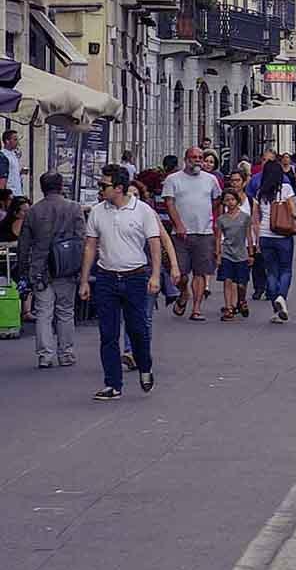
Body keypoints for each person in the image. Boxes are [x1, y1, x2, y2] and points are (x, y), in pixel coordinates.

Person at [79, 164, 162, 400]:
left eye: (103, 185)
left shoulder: (142, 210)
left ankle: (145, 367)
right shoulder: (97, 211)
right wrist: (85, 280)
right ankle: (113, 384)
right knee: (108, 333)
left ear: (119, 188)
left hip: (135, 276)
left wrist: (155, 275)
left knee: (138, 330)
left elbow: (154, 244)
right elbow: (90, 246)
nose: (100, 189)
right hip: (106, 277)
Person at [19, 171, 85, 368]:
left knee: (43, 312)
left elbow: (24, 244)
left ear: (42, 187)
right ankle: (66, 354)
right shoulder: (74, 208)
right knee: (65, 311)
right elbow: (82, 239)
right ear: (61, 186)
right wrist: (82, 267)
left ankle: (45, 355)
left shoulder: (33, 211)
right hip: (67, 267)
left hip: (40, 268)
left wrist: (23, 270)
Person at [162, 147, 221, 323]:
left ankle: (196, 308)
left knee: (201, 272)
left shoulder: (210, 180)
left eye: (200, 158)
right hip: (181, 234)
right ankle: (184, 293)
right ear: (186, 159)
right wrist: (178, 224)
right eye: (193, 157)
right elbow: (169, 203)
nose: (197, 160)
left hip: (204, 232)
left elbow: (217, 199)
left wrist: (209, 215)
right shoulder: (173, 179)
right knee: (179, 273)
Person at [251, 157, 296, 322]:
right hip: (283, 235)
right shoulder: (285, 188)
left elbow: (255, 218)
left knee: (271, 271)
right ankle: (281, 297)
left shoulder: (260, 191)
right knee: (286, 269)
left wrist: (256, 240)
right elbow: (293, 212)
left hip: (265, 235)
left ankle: (276, 309)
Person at [216, 184, 254, 320]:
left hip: (242, 253)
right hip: (227, 252)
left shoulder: (245, 217)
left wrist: (251, 253)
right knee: (227, 280)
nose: (230, 202)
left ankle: (242, 301)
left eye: (232, 199)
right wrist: (218, 254)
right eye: (227, 200)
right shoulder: (221, 219)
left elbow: (249, 236)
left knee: (241, 283)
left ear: (238, 201)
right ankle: (229, 307)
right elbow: (218, 237)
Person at [0, 128, 25, 198]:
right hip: (10, 195)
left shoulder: (14, 154)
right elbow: (2, 177)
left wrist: (20, 172)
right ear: (7, 141)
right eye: (15, 139)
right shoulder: (3, 156)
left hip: (18, 192)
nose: (17, 142)